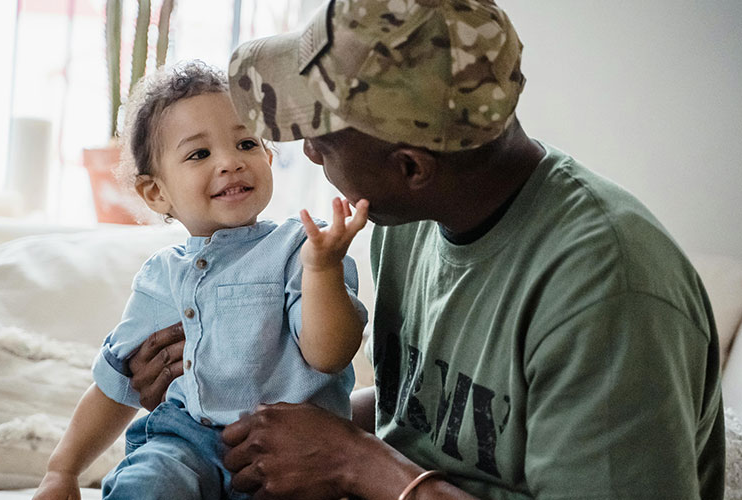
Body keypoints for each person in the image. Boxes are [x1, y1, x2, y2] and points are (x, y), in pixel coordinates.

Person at [127, 1, 726, 499]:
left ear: (410, 166)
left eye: (322, 139)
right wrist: (228, 390)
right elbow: (433, 417)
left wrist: (355, 462)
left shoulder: (608, 291)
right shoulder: (405, 216)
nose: (308, 154)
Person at [33, 60, 369, 500]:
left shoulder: (300, 249)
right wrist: (62, 470)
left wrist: (322, 269)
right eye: (199, 154)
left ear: (268, 158)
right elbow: (115, 386)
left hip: (291, 457)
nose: (230, 162)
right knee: (147, 483)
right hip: (185, 444)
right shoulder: (160, 277)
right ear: (157, 193)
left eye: (246, 143)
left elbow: (329, 354)